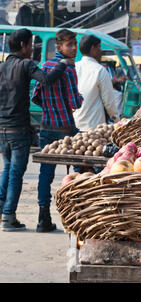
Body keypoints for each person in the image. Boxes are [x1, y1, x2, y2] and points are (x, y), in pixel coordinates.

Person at [0, 29, 68, 231]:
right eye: (31, 44)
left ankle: (3, 209)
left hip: (2, 128)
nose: (32, 49)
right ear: (23, 45)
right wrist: (62, 65)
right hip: (18, 129)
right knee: (15, 173)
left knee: (7, 168)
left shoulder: (2, 67)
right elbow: (46, 79)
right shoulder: (26, 64)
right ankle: (9, 217)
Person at [31, 29, 83, 233]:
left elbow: (36, 96)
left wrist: (50, 107)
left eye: (75, 44)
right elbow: (75, 102)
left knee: (46, 173)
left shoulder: (44, 65)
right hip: (66, 128)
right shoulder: (69, 68)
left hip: (46, 127)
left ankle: (42, 218)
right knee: (81, 168)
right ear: (59, 47)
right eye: (70, 45)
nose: (74, 48)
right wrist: (79, 99)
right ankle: (81, 212)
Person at [73, 35, 120, 132]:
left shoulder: (74, 67)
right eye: (99, 47)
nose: (101, 50)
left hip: (74, 124)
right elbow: (109, 102)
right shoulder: (100, 70)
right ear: (92, 49)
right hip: (93, 128)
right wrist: (117, 120)